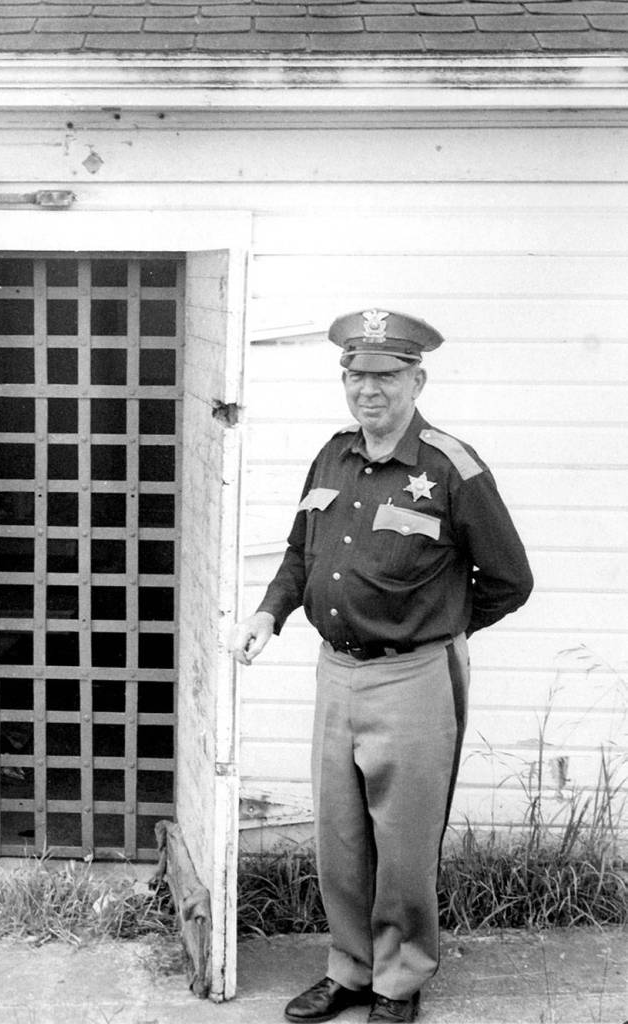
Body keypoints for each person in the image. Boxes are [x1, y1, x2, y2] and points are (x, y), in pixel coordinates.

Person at [230, 309, 533, 1024]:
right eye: (355, 375)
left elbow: (510, 580)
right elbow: (300, 552)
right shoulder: (331, 456)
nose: (369, 390)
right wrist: (268, 613)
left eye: (386, 377)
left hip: (414, 679)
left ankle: (399, 982)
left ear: (416, 380)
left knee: (403, 844)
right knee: (339, 838)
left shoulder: (451, 467)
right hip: (336, 672)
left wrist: (438, 624)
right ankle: (351, 969)